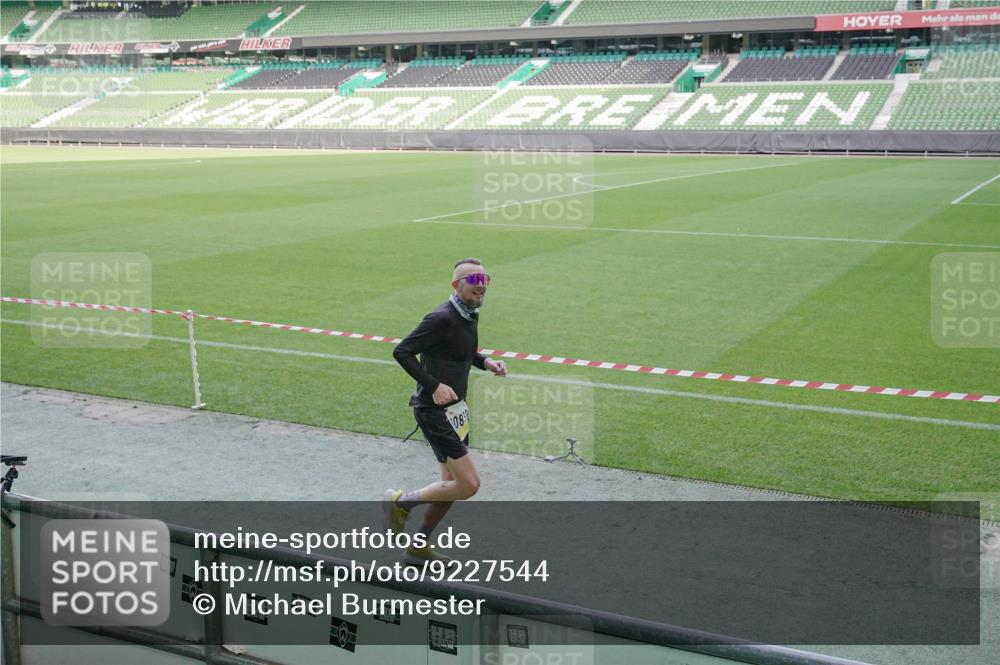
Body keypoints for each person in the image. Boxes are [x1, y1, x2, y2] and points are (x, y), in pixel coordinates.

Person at [386, 258, 507, 565]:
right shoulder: (441, 317)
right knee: (469, 484)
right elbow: (402, 351)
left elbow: (462, 350)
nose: (481, 287)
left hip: (456, 412)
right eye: (473, 281)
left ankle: (418, 546)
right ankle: (400, 502)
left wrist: (486, 362)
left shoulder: (469, 314)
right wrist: (434, 385)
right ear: (456, 285)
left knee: (448, 487)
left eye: (485, 281)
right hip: (433, 411)